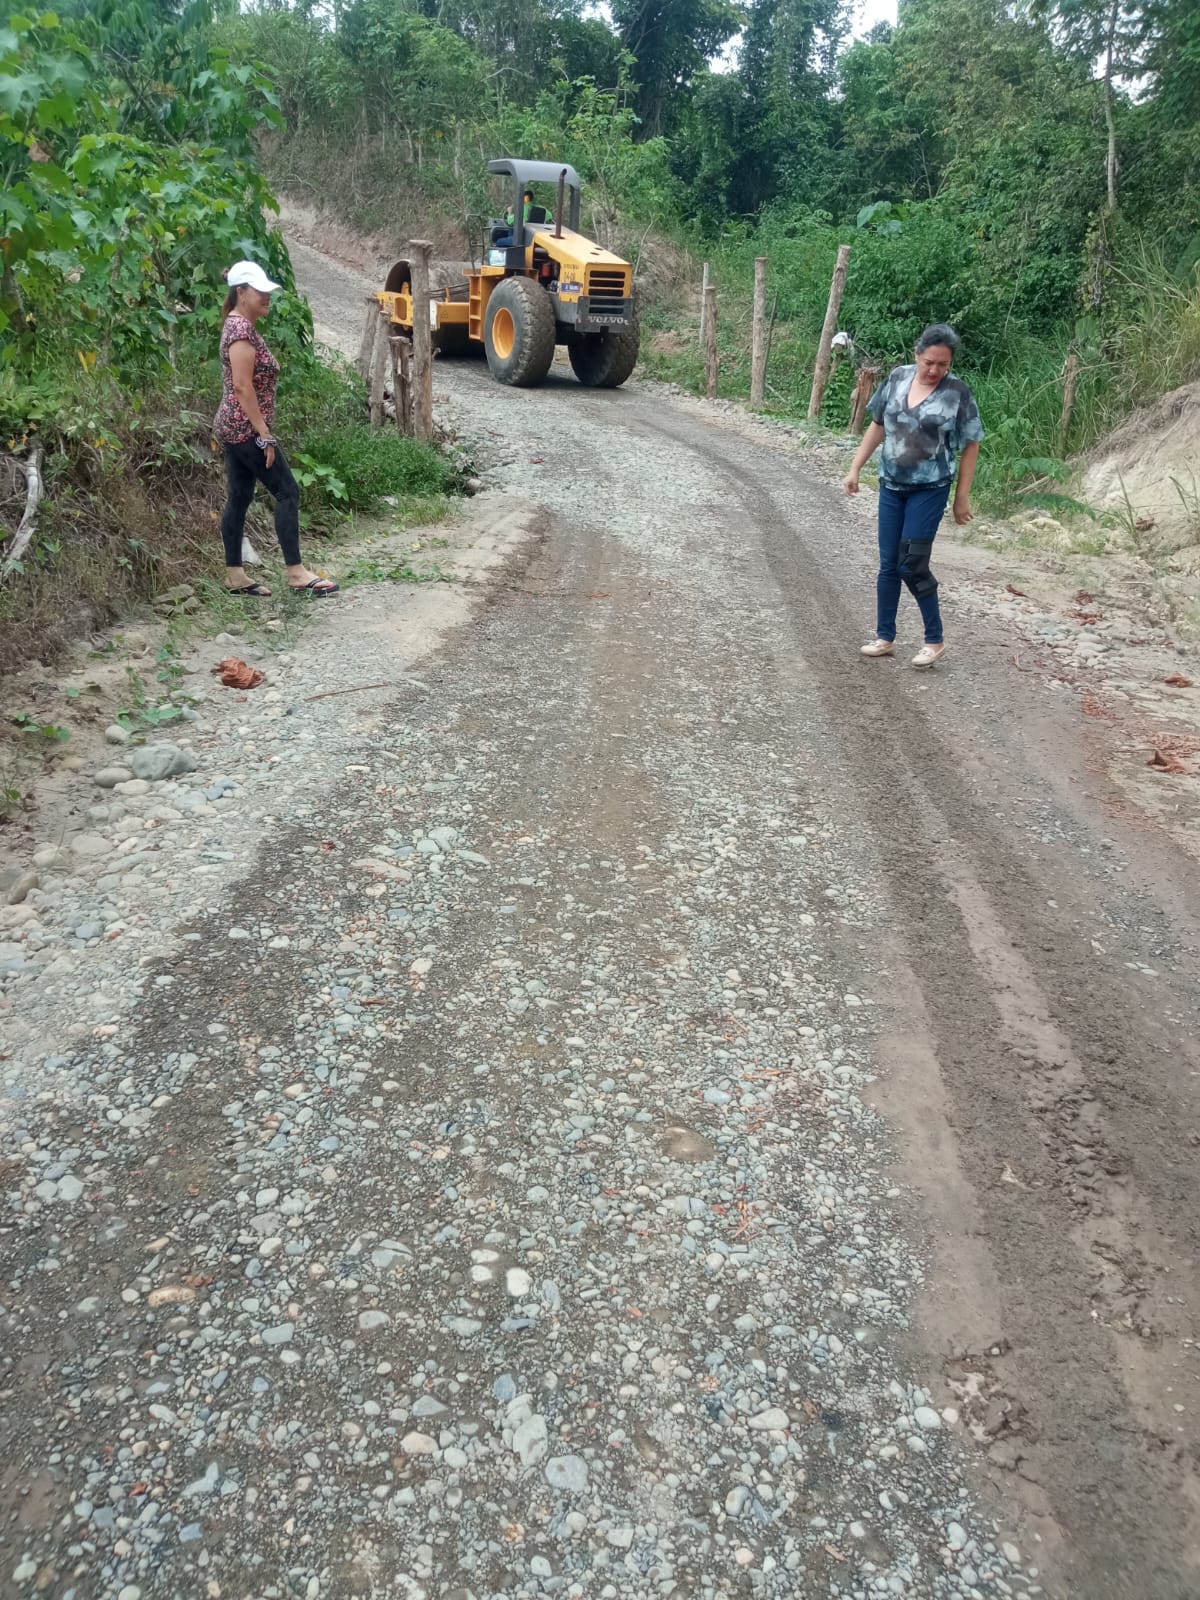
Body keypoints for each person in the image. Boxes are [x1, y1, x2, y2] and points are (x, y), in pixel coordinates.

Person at [843, 322, 982, 666]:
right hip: (891, 485)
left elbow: (971, 444)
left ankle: (934, 640)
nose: (934, 370)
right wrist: (855, 467)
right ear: (917, 354)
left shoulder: (957, 392)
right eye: (929, 362)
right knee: (889, 564)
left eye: (943, 364)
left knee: (912, 564)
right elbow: (878, 424)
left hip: (931, 489)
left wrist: (961, 497)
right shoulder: (897, 378)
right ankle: (885, 637)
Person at [213, 259, 338, 598]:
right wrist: (264, 434)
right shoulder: (241, 331)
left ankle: (235, 576)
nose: (267, 296)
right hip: (245, 429)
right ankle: (296, 573)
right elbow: (242, 387)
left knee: (240, 496)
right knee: (287, 491)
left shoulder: (239, 325)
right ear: (241, 292)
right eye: (260, 291)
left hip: (233, 426)